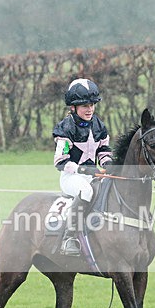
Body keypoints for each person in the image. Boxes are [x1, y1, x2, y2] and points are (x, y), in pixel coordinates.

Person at [52, 78, 114, 256]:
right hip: (71, 178)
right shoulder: (65, 128)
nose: (90, 109)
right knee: (86, 191)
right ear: (73, 107)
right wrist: (84, 170)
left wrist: (108, 165)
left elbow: (103, 150)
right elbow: (60, 161)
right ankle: (69, 236)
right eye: (85, 105)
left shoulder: (99, 125)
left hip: (93, 175)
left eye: (92, 104)